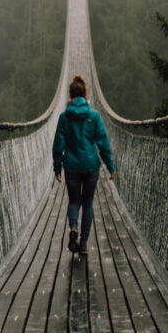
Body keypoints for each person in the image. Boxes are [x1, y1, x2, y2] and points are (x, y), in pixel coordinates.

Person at [53, 75, 116, 255]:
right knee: (87, 204)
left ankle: (73, 226)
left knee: (74, 202)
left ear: (70, 96)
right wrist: (111, 167)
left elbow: (58, 145)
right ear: (85, 93)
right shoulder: (94, 116)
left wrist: (57, 168)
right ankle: (84, 244)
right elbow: (103, 144)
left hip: (72, 167)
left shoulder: (64, 117)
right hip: (90, 167)